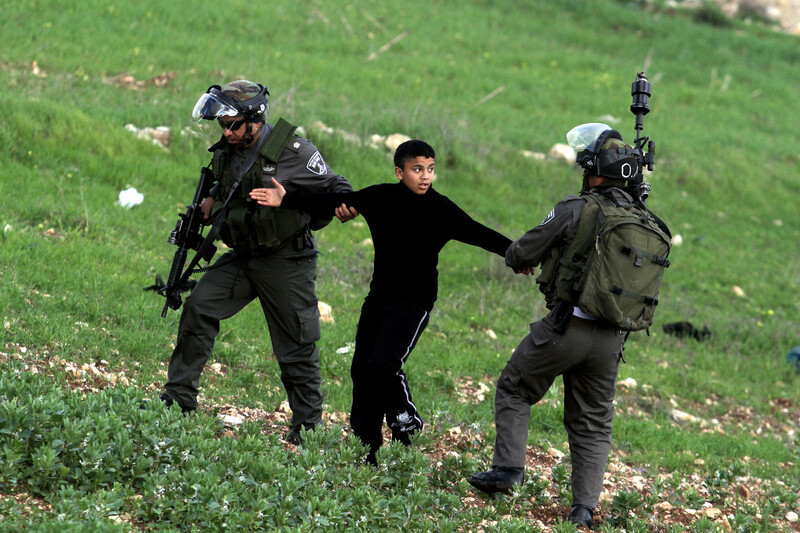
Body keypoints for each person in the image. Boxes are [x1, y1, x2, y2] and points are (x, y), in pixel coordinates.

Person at [250, 140, 514, 465]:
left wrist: (517, 253)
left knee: (384, 366)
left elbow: (479, 233)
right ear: (399, 172)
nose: (425, 176)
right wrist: (286, 198)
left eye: (430, 169)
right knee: (361, 371)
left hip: (414, 304)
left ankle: (406, 421)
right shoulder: (380, 197)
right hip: (378, 300)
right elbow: (333, 199)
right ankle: (367, 451)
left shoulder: (441, 209)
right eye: (417, 169)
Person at [467, 123, 662, 529]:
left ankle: (508, 470)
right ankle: (583, 510)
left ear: (595, 171)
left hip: (565, 327)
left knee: (515, 386)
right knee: (592, 423)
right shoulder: (646, 222)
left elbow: (522, 249)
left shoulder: (576, 207)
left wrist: (524, 259)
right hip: (612, 340)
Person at [156, 80, 357, 446]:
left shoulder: (292, 150)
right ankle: (178, 398)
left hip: (286, 259)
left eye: (234, 124)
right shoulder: (231, 147)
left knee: (295, 341)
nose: (227, 132)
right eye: (222, 124)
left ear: (256, 119)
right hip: (245, 255)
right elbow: (229, 182)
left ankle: (308, 427)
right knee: (200, 306)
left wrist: (344, 202)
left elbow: (334, 184)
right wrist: (212, 201)